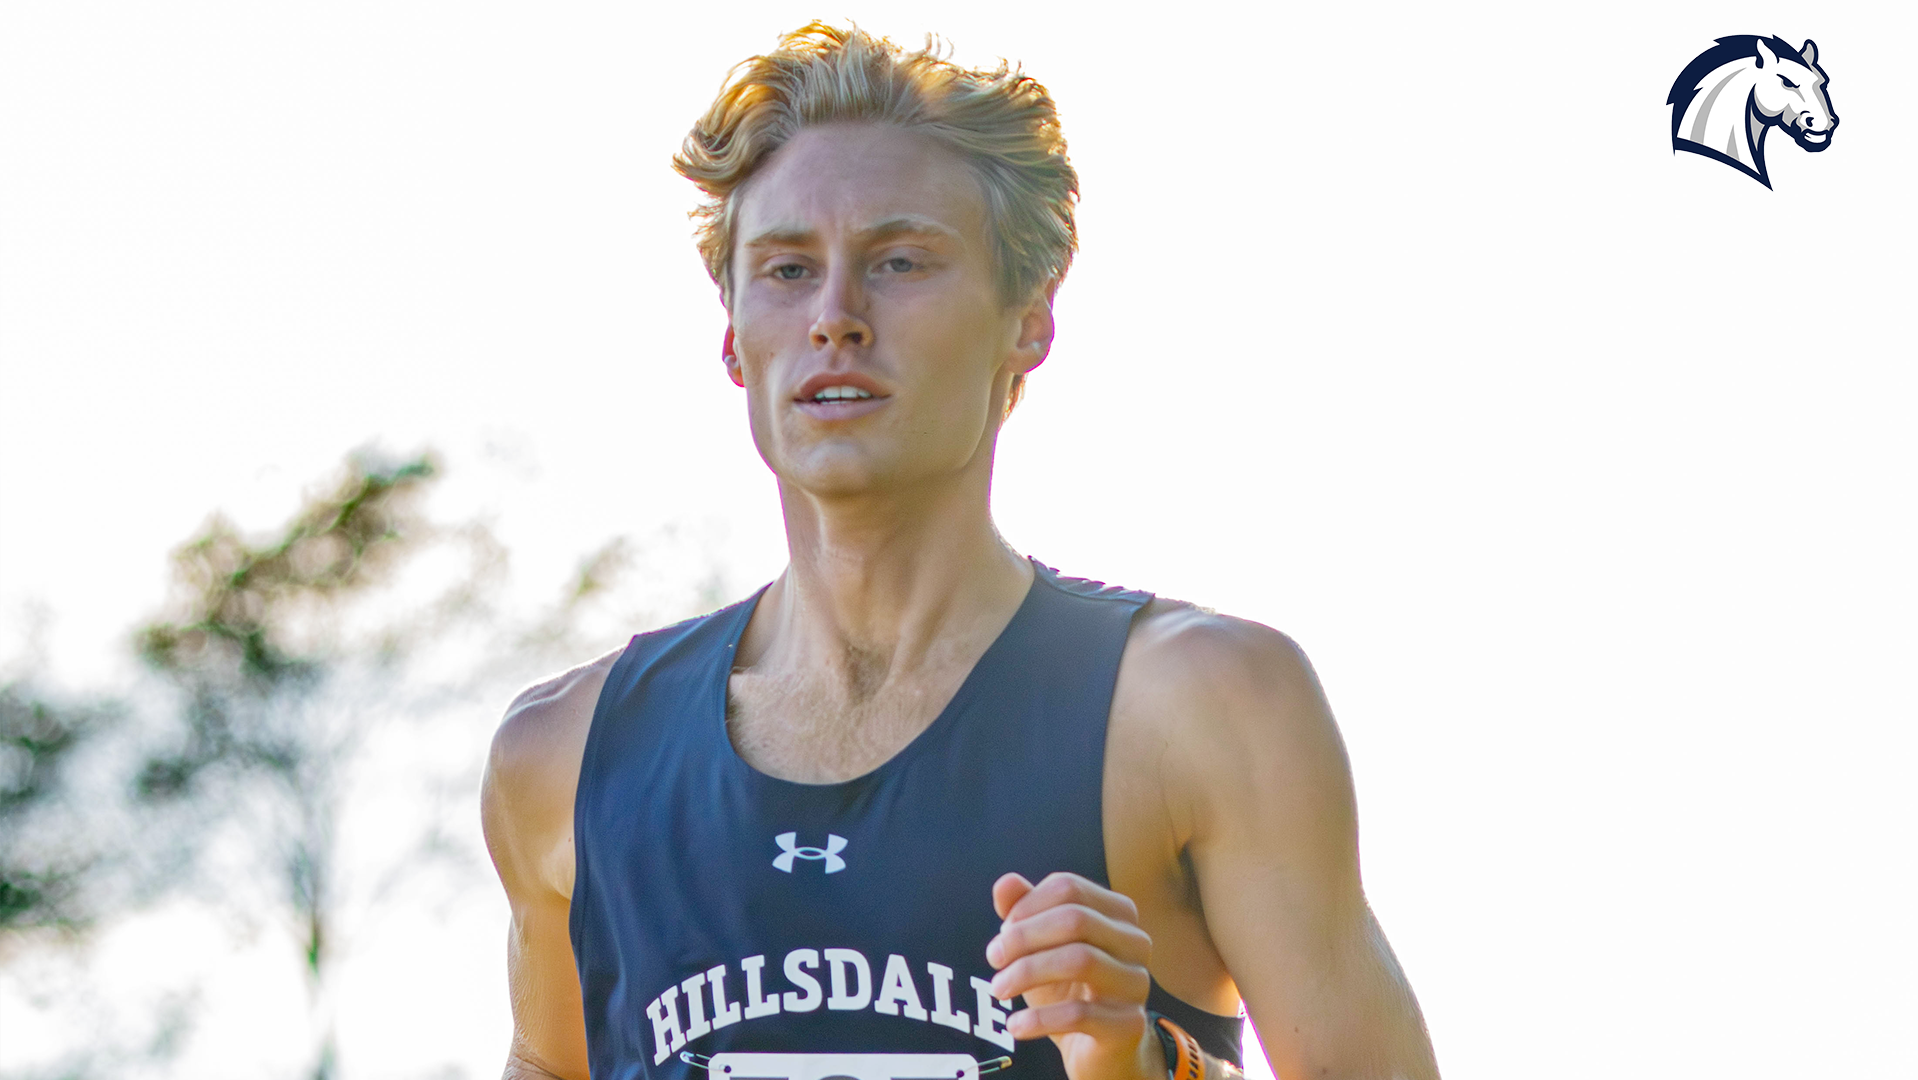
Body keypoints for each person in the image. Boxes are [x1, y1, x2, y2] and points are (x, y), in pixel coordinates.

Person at [481, 23, 1439, 1080]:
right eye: (789, 269)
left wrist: (1146, 1067)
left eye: (899, 262)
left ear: (1026, 320)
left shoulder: (1204, 708)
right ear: (730, 335)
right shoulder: (566, 763)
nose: (835, 318)